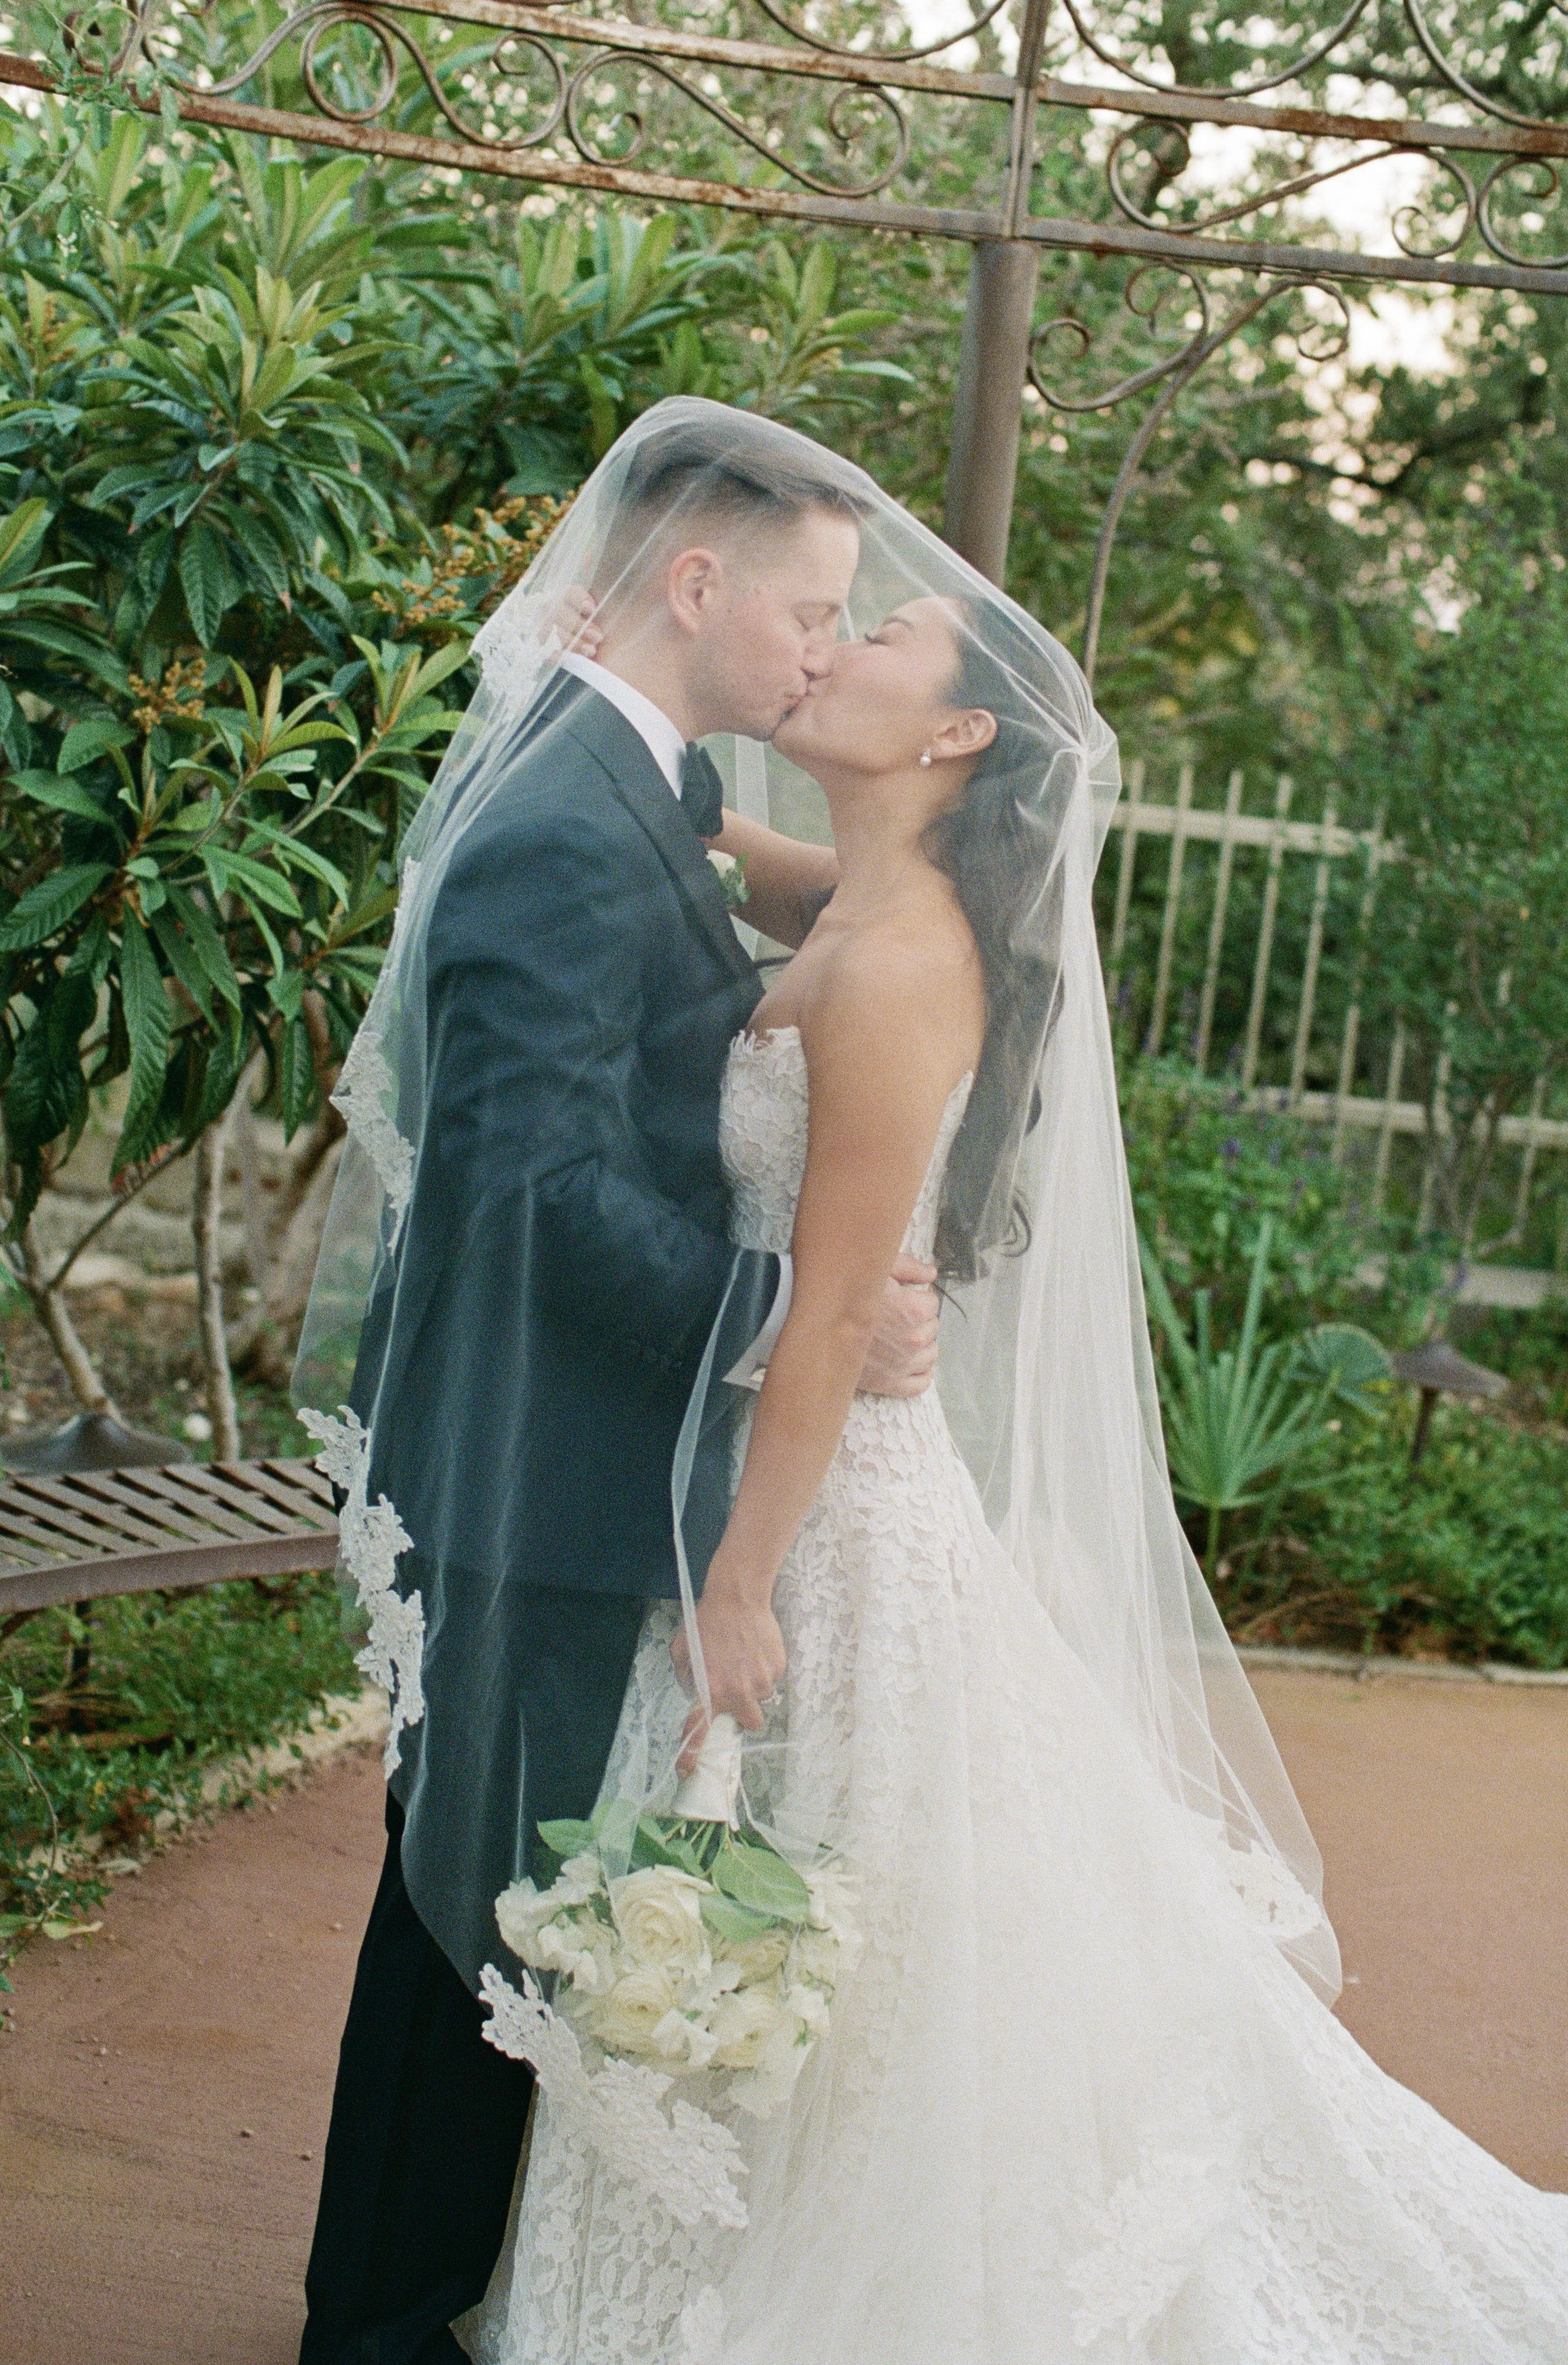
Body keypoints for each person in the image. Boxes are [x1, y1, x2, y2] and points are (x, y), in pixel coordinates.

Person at [425, 408, 1568, 2365]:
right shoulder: (860, 900)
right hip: (812, 1480)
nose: (836, 649)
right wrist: (666, 784)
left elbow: (824, 1325)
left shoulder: (892, 968)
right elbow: (773, 873)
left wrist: (737, 1582)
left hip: (824, 1515)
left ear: (950, 741)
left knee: (856, 1922)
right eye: (828, 620)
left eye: (878, 648)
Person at [294, 415, 944, 2364]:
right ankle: (379, 2325)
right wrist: (781, 1306)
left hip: (569, 1454)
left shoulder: (635, 781)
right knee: (464, 1910)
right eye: (809, 612)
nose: (821, 652)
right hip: (527, 1461)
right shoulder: (568, 817)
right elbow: (530, 1184)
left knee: (494, 1899)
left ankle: (407, 2293)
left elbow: (817, 914)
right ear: (693, 586)